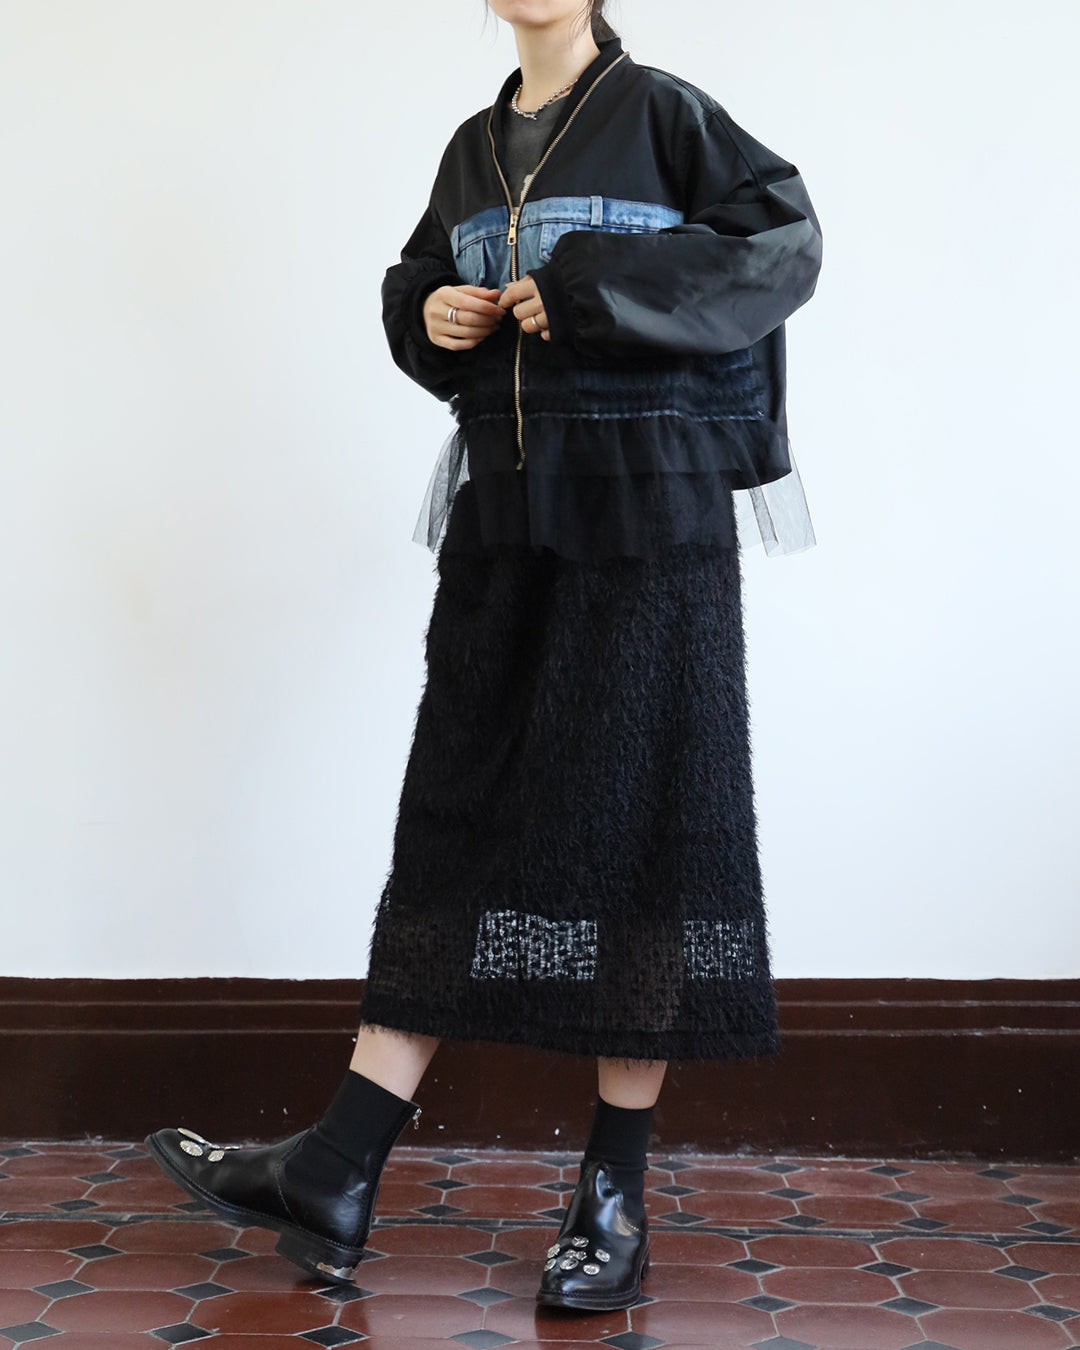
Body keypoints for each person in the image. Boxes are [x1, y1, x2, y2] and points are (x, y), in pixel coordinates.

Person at [145, 0, 822, 1315]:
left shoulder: (665, 115)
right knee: (451, 821)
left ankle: (612, 1194)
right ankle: (338, 1164)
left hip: (647, 529)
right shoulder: (470, 148)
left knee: (644, 839)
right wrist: (431, 311)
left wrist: (586, 292)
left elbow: (781, 247)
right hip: (505, 520)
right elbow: (414, 283)